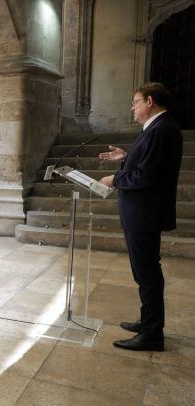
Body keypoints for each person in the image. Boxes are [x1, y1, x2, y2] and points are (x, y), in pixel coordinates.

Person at [98, 82, 183, 352]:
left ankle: (151, 334)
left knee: (147, 274)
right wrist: (127, 157)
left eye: (135, 102)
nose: (132, 108)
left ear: (149, 101)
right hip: (143, 212)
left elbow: (148, 176)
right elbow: (147, 164)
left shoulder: (161, 130)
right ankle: (149, 322)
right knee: (145, 272)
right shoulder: (158, 128)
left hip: (145, 213)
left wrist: (115, 179)